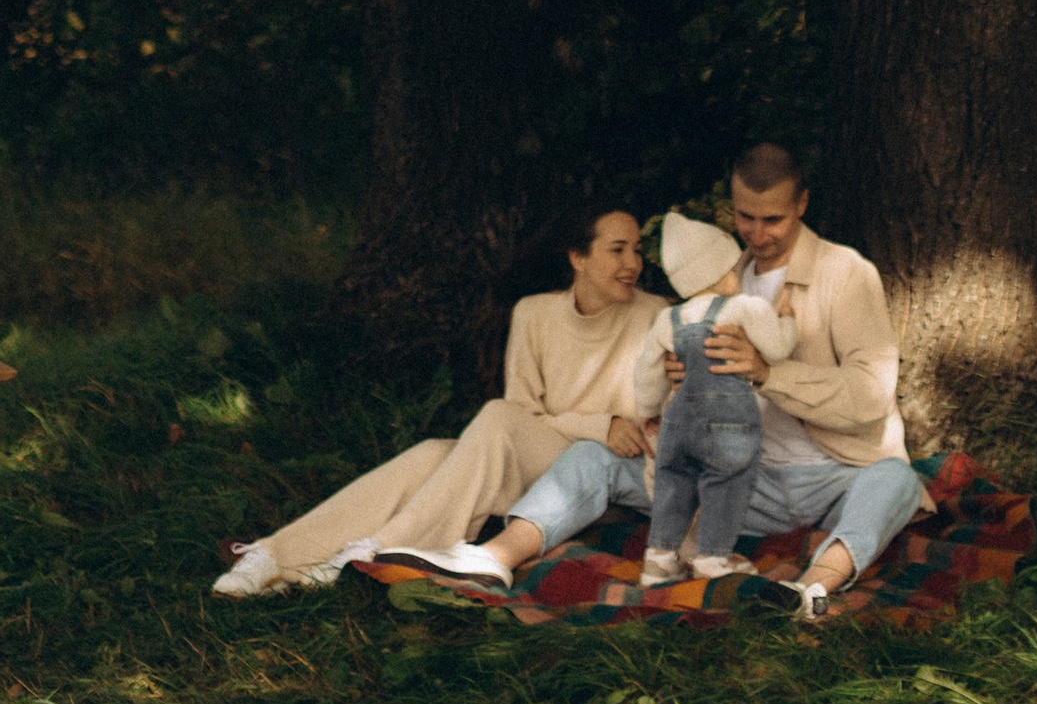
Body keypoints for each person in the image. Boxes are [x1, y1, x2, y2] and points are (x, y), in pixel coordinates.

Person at [397, 142, 926, 620]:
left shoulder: (847, 274)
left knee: (897, 481)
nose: (758, 234)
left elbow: (870, 396)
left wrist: (769, 373)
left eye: (774, 220)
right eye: (746, 217)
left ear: (803, 205)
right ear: (731, 208)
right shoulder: (717, 272)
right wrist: (680, 380)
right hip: (733, 480)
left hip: (830, 474)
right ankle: (493, 558)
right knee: (593, 459)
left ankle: (808, 591)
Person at [209, 198, 740, 596]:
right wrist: (599, 422)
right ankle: (274, 556)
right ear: (578, 257)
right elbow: (526, 411)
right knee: (434, 454)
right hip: (555, 448)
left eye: (637, 251)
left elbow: (654, 419)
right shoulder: (533, 314)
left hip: (601, 475)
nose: (632, 263)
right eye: (617, 249)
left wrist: (614, 429)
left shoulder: (656, 316)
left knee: (493, 420)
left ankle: (369, 552)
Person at [629, 272, 800, 586]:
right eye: (732, 269)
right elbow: (777, 350)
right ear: (721, 275)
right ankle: (711, 558)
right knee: (727, 484)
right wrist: (786, 319)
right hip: (728, 419)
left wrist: (649, 412)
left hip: (680, 420)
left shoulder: (668, 318)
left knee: (674, 484)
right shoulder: (743, 307)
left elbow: (647, 374)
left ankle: (659, 561)